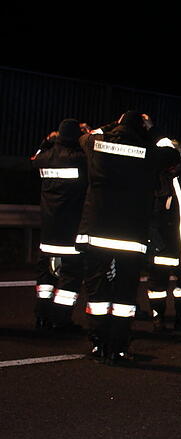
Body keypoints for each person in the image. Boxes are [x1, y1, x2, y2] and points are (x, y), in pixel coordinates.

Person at [77, 111, 180, 363]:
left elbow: (87, 136)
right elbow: (172, 153)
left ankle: (97, 344)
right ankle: (118, 348)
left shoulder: (97, 144)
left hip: (96, 232)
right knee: (124, 296)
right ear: (141, 128)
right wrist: (152, 130)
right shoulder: (148, 151)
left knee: (97, 290)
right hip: (130, 237)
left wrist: (115, 124)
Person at [30, 119, 88, 330]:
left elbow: (34, 157)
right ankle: (61, 319)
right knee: (70, 277)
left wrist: (47, 142)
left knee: (46, 276)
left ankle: (42, 315)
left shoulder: (44, 158)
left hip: (48, 230)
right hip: (71, 231)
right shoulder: (81, 159)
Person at [146, 140, 181, 331]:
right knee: (157, 286)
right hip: (163, 244)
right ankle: (158, 318)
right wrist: (155, 242)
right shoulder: (153, 179)